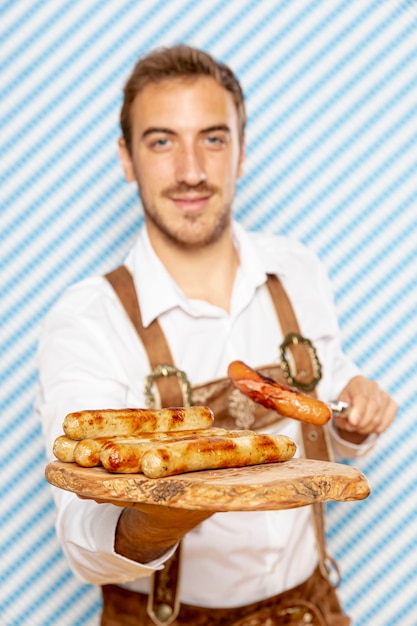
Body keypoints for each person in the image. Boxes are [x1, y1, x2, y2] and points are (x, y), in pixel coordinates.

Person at [37, 45, 397, 626]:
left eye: (213, 138)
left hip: (311, 607)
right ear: (126, 157)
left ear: (241, 152)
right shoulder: (85, 320)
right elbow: (82, 538)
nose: (191, 171)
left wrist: (353, 420)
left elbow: (330, 402)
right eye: (161, 141)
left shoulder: (297, 270)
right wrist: (162, 515)